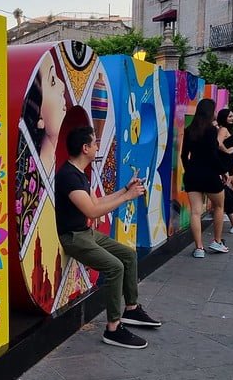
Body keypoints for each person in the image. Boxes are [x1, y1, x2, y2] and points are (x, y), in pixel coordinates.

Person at [55, 126, 161, 350]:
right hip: (73, 237)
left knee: (128, 255)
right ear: (85, 148)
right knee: (115, 267)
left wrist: (125, 190)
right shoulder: (68, 177)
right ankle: (113, 328)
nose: (97, 146)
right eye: (95, 143)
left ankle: (131, 309)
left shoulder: (79, 173)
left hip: (85, 233)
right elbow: (92, 212)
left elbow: (96, 202)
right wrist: (127, 197)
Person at [181, 98, 228, 258]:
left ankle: (199, 248)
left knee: (195, 212)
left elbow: (183, 155)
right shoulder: (211, 130)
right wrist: (223, 171)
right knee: (219, 206)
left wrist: (189, 170)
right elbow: (213, 155)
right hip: (210, 174)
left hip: (193, 175)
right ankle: (217, 241)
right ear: (210, 112)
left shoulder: (189, 130)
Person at [22, 51, 67, 178]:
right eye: (52, 81)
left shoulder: (59, 165)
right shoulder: (36, 177)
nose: (62, 85)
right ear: (38, 117)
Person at [216, 109, 233, 192]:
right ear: (224, 117)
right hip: (225, 160)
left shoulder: (226, 129)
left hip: (229, 160)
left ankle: (229, 199)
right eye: (230, 116)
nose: (232, 118)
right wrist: (227, 152)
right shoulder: (223, 129)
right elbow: (219, 143)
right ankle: (225, 199)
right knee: (225, 184)